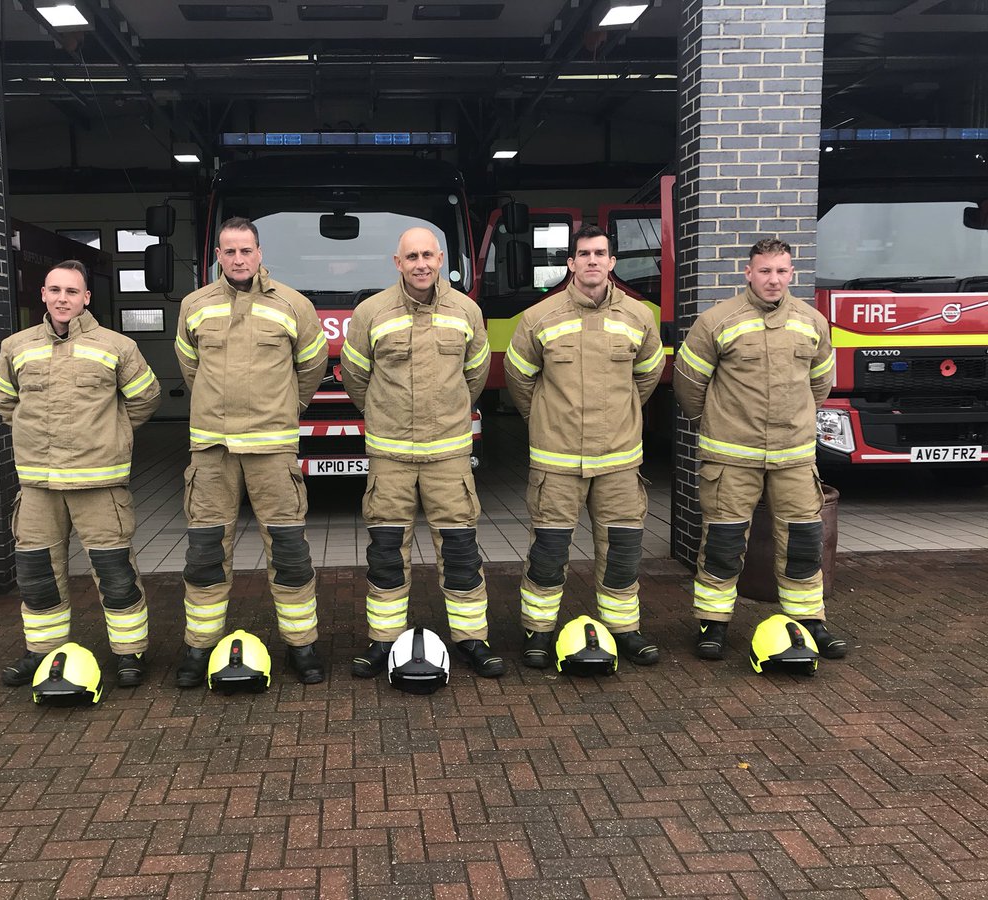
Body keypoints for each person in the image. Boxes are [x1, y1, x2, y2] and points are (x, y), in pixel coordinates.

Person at [673, 237, 848, 660]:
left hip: (793, 455)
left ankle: (810, 623)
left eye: (781, 271)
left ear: (792, 274)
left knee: (804, 542)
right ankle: (713, 625)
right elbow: (687, 385)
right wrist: (720, 422)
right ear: (748, 273)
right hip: (731, 456)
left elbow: (821, 383)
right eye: (765, 270)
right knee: (723, 541)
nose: (774, 279)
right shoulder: (717, 320)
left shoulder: (812, 322)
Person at [341, 227, 503, 679]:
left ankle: (472, 639)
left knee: (460, 550)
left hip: (448, 456)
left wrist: (445, 417)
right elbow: (355, 378)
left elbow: (475, 375)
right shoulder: (370, 312)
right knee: (387, 551)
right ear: (397, 262)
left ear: (441, 258)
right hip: (390, 457)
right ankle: (383, 641)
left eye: (428, 255)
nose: (420, 264)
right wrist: (384, 412)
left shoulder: (466, 311)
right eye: (411, 256)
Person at [0, 259, 161, 688]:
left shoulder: (116, 346)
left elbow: (145, 398)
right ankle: (44, 655)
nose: (62, 298)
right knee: (37, 575)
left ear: (86, 298)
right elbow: (5, 401)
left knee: (116, 573)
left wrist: (112, 432)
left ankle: (130, 654)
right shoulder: (16, 346)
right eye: (55, 290)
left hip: (98, 483)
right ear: (43, 295)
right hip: (38, 486)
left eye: (72, 291)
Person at [174, 217, 329, 686]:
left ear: (260, 253)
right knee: (204, 554)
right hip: (212, 451)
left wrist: (289, 406)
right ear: (217, 256)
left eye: (246, 251)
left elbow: (313, 364)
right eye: (229, 251)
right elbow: (189, 367)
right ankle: (198, 649)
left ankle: (302, 647)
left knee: (289, 552)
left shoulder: (292, 304)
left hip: (272, 449)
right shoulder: (194, 306)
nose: (238, 259)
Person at [504, 225, 666, 669]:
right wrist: (545, 419)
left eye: (600, 253)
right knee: (549, 551)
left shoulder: (639, 317)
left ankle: (623, 631)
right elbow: (519, 380)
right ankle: (537, 633)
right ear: (570, 263)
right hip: (557, 462)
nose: (592, 260)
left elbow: (648, 375)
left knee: (622, 549)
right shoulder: (538, 318)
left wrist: (622, 415)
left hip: (618, 461)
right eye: (583, 254)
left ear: (612, 262)